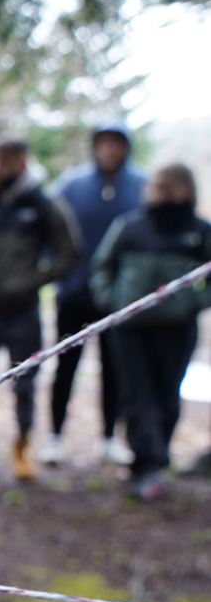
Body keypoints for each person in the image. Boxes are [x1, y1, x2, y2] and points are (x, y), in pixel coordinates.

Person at [0, 135, 82, 480]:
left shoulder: (43, 206)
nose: (1, 167)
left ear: (23, 162)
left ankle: (22, 448)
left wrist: (31, 282)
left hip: (22, 314)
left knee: (24, 383)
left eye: (9, 160)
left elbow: (70, 252)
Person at [91, 163, 211, 501]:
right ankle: (147, 463)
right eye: (157, 185)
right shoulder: (130, 226)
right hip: (130, 329)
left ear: (186, 189)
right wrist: (112, 300)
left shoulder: (199, 230)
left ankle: (155, 458)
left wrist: (193, 301)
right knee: (136, 394)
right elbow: (102, 266)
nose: (161, 192)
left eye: (169, 186)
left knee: (166, 395)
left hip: (176, 328)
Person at [43, 121, 147, 467]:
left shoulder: (140, 186)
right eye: (104, 144)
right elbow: (50, 232)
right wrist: (58, 277)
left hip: (120, 300)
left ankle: (107, 438)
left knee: (116, 370)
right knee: (66, 367)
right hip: (74, 295)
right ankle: (55, 437)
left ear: (126, 148)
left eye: (116, 144)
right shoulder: (72, 185)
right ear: (95, 147)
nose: (110, 151)